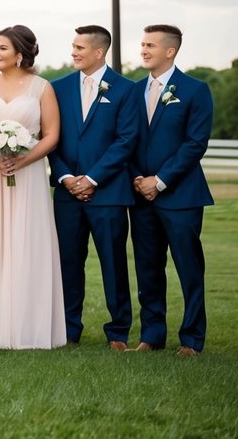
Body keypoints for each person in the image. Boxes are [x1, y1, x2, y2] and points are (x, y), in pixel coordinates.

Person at [0, 24, 65, 349]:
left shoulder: (41, 88)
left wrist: (22, 161)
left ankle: (25, 324)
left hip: (28, 174)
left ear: (20, 54)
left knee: (24, 240)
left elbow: (51, 134)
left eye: (2, 48)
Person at [49, 25, 139, 351]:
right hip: (66, 194)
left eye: (79, 48)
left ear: (98, 52)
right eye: (72, 46)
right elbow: (51, 139)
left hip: (109, 193)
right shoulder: (57, 88)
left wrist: (92, 178)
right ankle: (68, 329)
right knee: (68, 263)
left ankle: (118, 333)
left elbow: (126, 140)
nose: (73, 52)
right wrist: (66, 178)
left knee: (113, 263)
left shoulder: (126, 90)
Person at [129, 24, 213, 356]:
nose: (143, 50)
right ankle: (152, 336)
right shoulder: (133, 91)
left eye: (150, 45)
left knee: (189, 269)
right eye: (142, 44)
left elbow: (195, 144)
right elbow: (126, 140)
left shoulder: (195, 90)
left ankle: (192, 339)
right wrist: (138, 178)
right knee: (147, 268)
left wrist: (159, 181)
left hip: (181, 196)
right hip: (140, 196)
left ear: (170, 51)